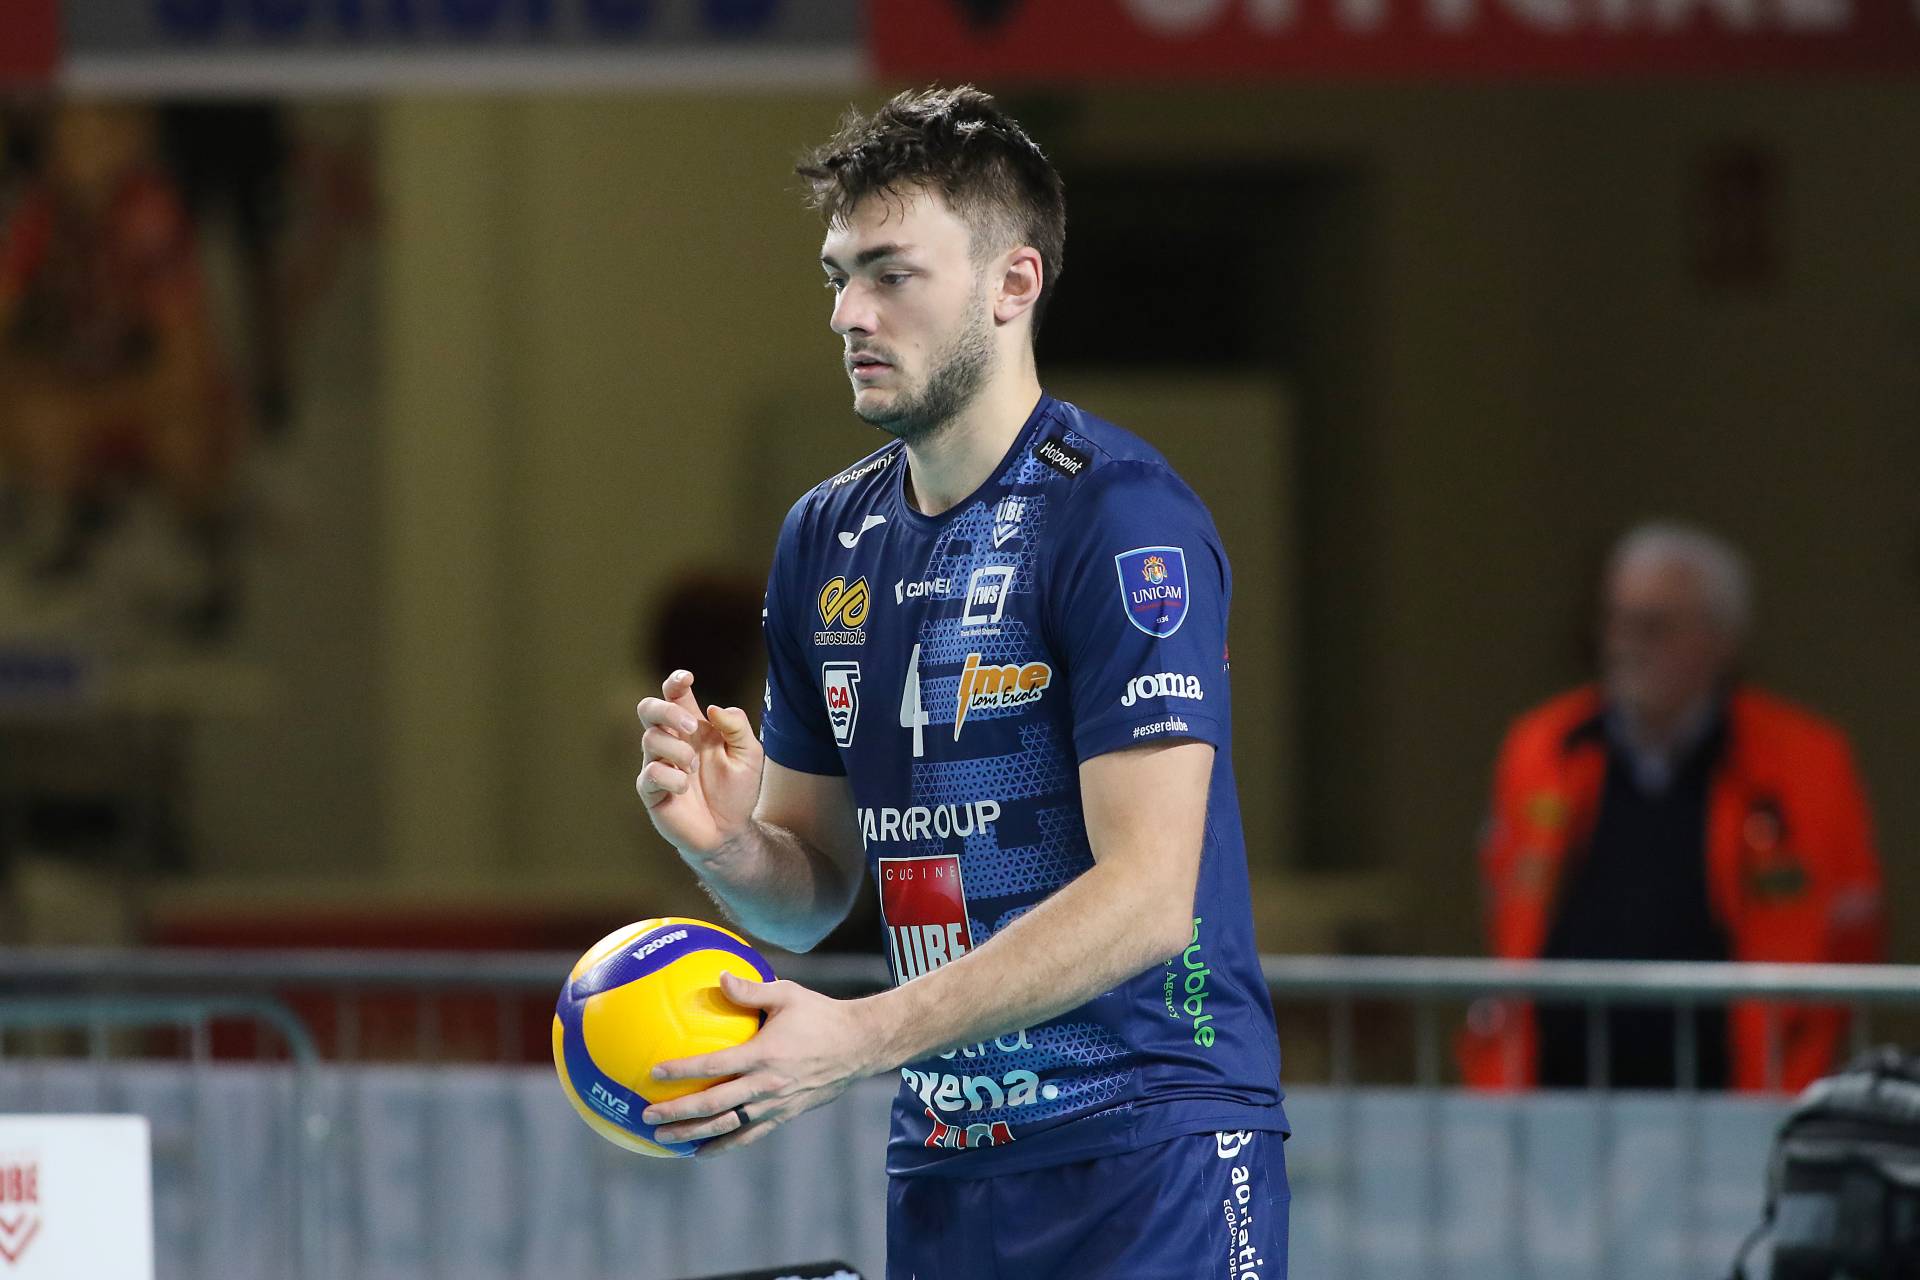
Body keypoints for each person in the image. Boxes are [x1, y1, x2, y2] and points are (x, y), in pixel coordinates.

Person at [632, 86, 1289, 1279]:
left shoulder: (1120, 517)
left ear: (1012, 283)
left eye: (892, 274)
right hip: (946, 1159)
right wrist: (730, 848)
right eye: (839, 275)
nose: (850, 311)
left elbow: (1151, 896)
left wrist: (860, 1036)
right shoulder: (824, 536)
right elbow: (814, 895)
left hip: (1149, 1146)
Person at [1460, 522, 1884, 1093]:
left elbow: (1853, 931)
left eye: (1654, 626)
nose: (1625, 645)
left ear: (1720, 639)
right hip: (1556, 1089)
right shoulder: (1544, 747)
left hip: (1740, 1093)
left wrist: (1801, 1068)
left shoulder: (1806, 761)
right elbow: (1504, 904)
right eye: (1615, 621)